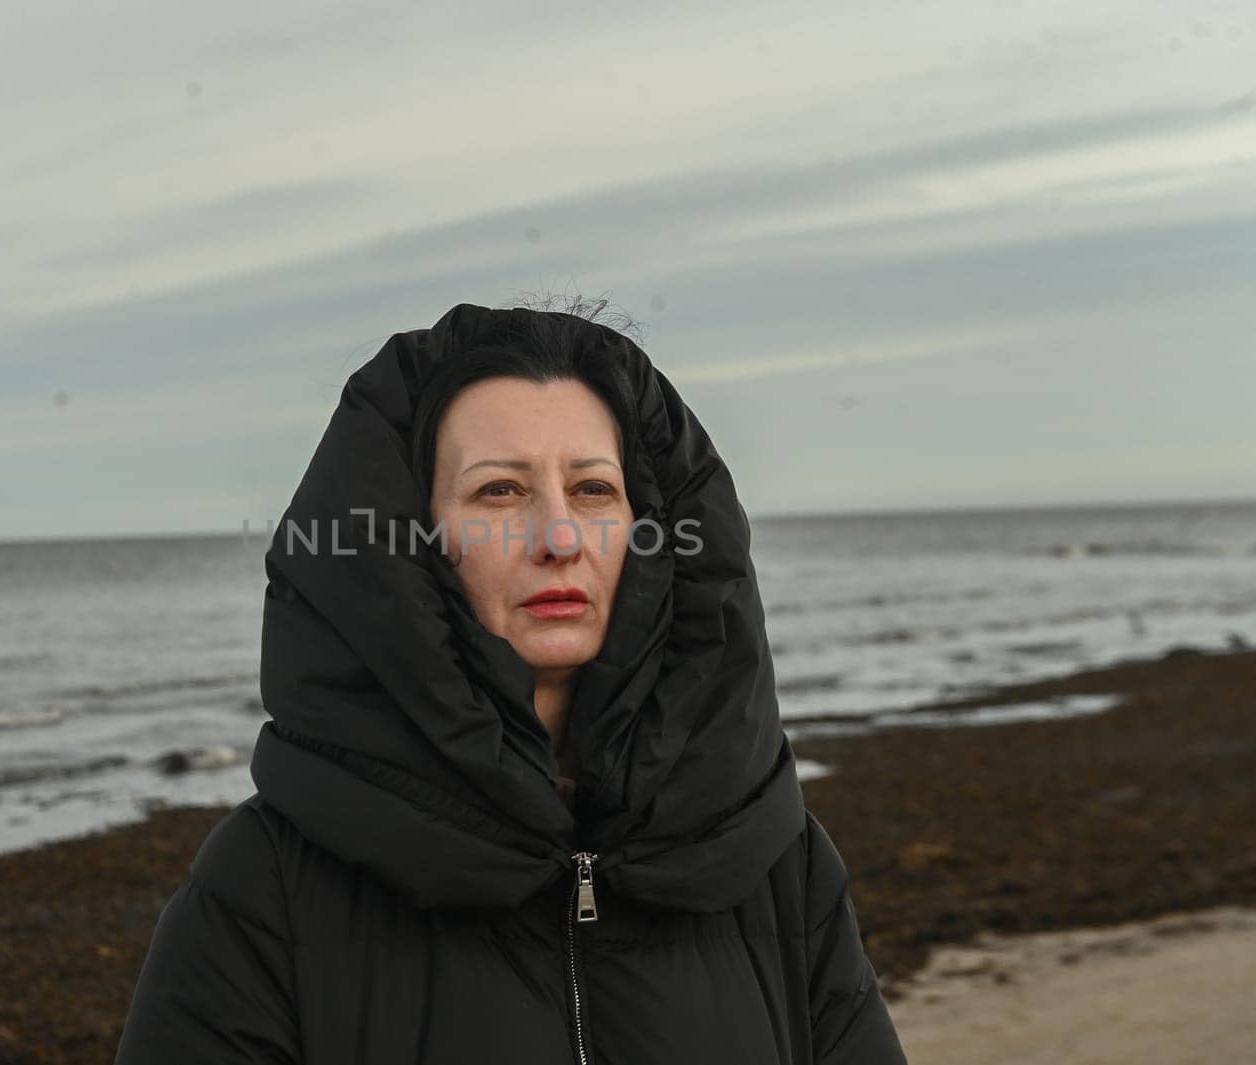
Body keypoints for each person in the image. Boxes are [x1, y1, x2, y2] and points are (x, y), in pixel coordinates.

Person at [115, 300, 907, 1064]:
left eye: (594, 489)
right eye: (500, 490)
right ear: (411, 544)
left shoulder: (777, 860)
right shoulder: (266, 884)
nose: (558, 536)